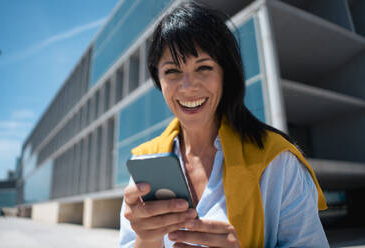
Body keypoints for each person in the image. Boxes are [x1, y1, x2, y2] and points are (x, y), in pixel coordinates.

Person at [119, 2, 329, 247]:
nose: (188, 87)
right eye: (172, 71)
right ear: (159, 79)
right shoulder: (145, 163)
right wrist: (146, 239)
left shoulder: (276, 161)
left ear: (225, 74)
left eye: (204, 67)